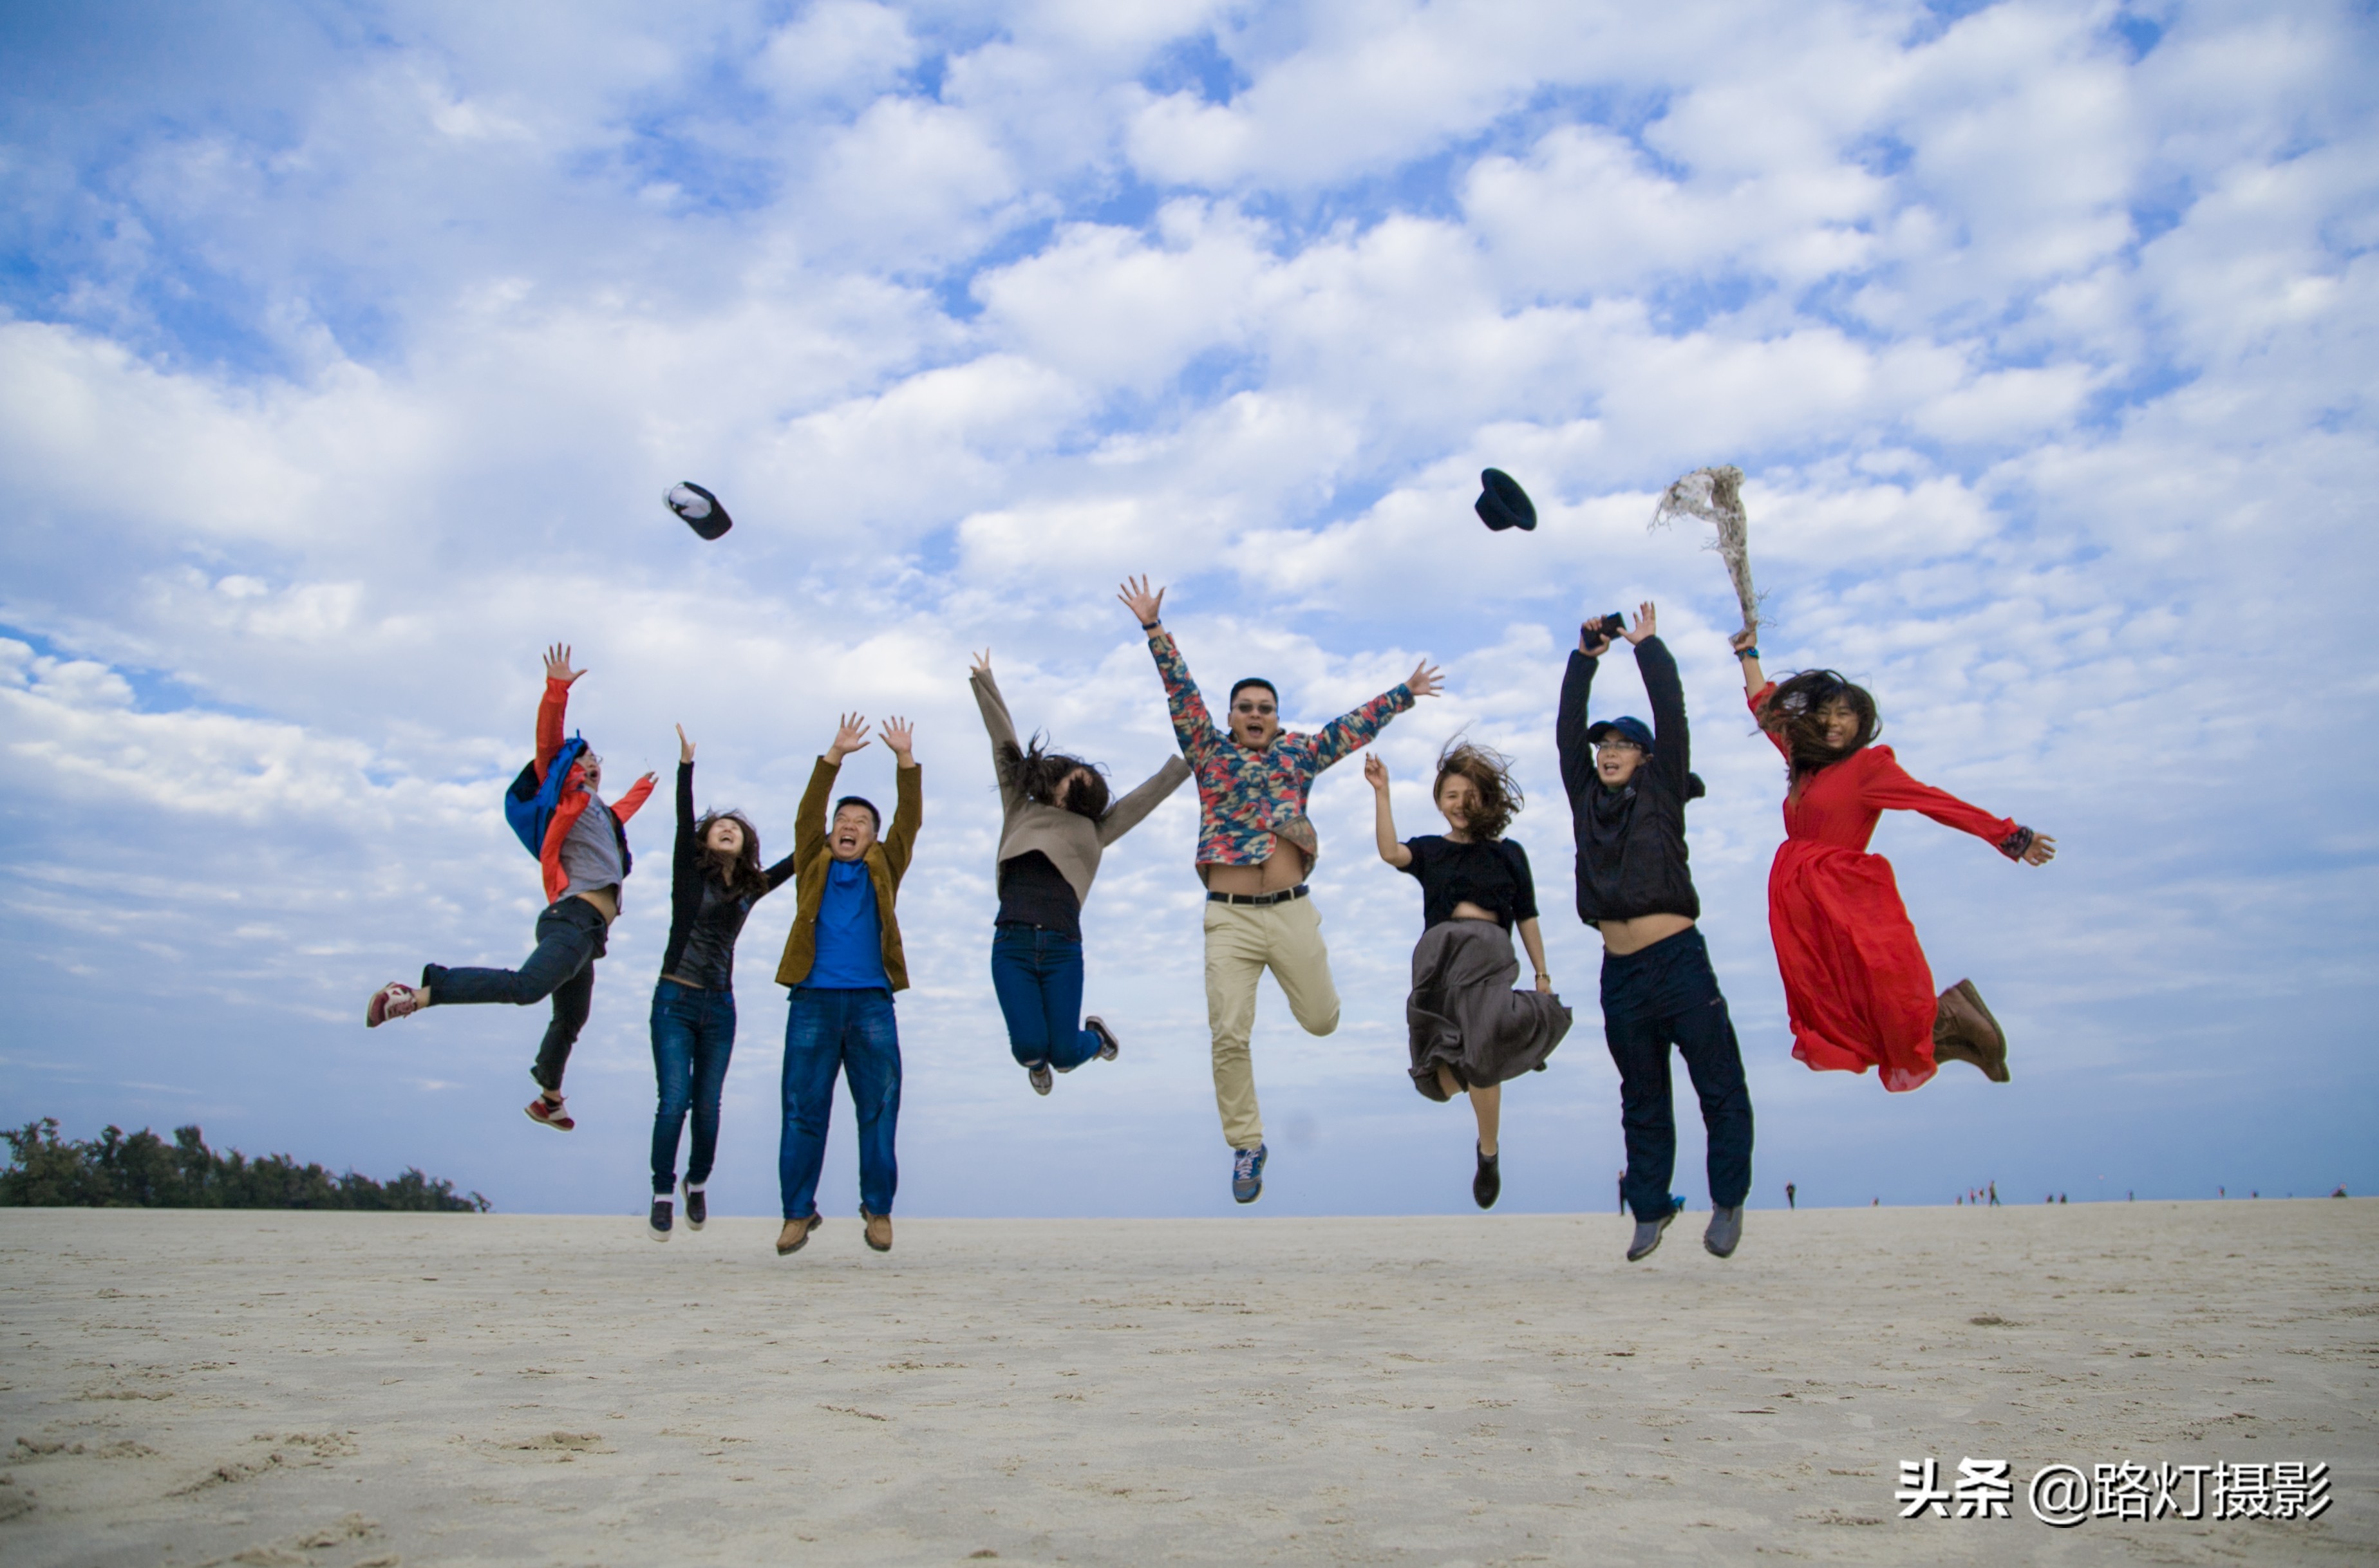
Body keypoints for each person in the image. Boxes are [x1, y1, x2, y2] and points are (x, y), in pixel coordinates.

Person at [1117, 574, 1441, 1204]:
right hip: (1229, 920)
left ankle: (1268, 1101)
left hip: (1291, 913)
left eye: (1265, 708)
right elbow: (1180, 693)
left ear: (1275, 717)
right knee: (1228, 1033)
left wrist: (1403, 693)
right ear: (1231, 717)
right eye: (1246, 708)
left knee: (1321, 1020)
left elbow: (1350, 728)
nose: (1256, 716)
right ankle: (1246, 1145)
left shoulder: (1299, 755)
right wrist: (1154, 630)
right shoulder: (1208, 753)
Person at [1731, 631, 2056, 1092]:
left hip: (1842, 887)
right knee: (1829, 997)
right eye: (1823, 713)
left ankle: (1946, 1019)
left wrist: (2010, 836)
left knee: (1881, 979)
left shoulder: (1868, 768)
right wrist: (1746, 653)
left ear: (1861, 721)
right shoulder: (1804, 761)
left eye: (1843, 714)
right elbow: (1766, 708)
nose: (1832, 723)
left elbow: (1932, 801)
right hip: (1798, 896)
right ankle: (1945, 1032)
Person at [366, 644, 655, 1134]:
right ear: (568, 771)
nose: (591, 766)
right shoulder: (568, 798)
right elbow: (549, 747)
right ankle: (417, 994)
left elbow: (619, 816)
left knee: (571, 1019)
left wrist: (643, 789)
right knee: (526, 989)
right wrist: (557, 691)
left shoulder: (600, 815)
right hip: (572, 919)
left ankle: (549, 1098)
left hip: (589, 935)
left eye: (595, 761)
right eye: (583, 761)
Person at [1557, 602, 1753, 1262]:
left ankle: (1726, 1202)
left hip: (1679, 962)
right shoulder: (1585, 798)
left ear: (1643, 757)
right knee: (1640, 1095)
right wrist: (1584, 658)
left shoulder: (1663, 788)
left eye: (1621, 745)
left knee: (1716, 1083)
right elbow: (1565, 734)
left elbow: (1673, 717)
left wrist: (1647, 648)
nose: (1607, 752)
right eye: (1603, 745)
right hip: (1621, 975)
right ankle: (1648, 1209)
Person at [970, 651, 1191, 1096]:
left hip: (1061, 949)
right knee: (1029, 1049)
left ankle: (1098, 1039)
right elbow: (1004, 743)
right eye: (1075, 777)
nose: (1081, 783)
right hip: (1011, 943)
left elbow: (1142, 800)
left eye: (1088, 783)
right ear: (1056, 780)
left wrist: (1190, 761)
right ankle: (1035, 1061)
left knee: (1068, 1055)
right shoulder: (1020, 807)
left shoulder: (1097, 830)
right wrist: (984, 680)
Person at [1365, 740, 1570, 1209]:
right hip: (1439, 961)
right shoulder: (1431, 851)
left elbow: (1528, 917)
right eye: (1450, 795)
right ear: (1439, 802)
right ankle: (1497, 1066)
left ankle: (1488, 1151)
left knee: (1482, 1053)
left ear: (1485, 798)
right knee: (1437, 1075)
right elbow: (1390, 853)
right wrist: (1382, 794)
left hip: (1487, 958)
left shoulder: (1508, 853)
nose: (1459, 804)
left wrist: (1541, 973)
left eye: (1468, 794)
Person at [771, 713, 922, 1258]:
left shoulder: (886, 864)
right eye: (843, 818)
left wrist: (905, 761)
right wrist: (834, 755)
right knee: (801, 1109)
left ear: (874, 837)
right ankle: (796, 1213)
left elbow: (910, 819)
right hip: (811, 999)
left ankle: (877, 1210)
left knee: (880, 1107)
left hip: (871, 1003)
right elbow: (808, 812)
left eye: (861, 821)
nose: (849, 825)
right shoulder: (812, 859)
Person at [644, 724, 797, 1242]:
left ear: (745, 843)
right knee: (674, 1101)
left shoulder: (751, 890)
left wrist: (831, 806)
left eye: (736, 827)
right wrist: (687, 767)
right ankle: (663, 1191)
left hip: (720, 1008)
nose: (727, 829)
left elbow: (799, 860)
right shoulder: (687, 877)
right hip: (674, 999)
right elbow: (682, 817)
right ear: (705, 840)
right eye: (719, 826)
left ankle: (698, 1180)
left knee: (708, 1105)